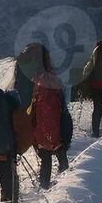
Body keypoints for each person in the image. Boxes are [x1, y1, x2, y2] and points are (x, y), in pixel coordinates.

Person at [14, 43, 71, 187]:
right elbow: (51, 110)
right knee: (56, 149)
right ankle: (61, 182)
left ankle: (47, 184)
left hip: (30, 118)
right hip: (48, 122)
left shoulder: (29, 72)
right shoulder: (48, 79)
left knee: (46, 152)